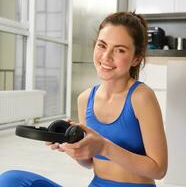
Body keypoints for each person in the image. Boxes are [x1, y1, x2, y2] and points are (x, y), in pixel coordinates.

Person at [0, 11, 168, 187]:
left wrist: (104, 147)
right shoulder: (85, 98)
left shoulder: (141, 97)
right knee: (10, 180)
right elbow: (89, 163)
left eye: (119, 50)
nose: (106, 57)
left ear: (136, 58)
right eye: (102, 46)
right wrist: (71, 147)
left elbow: (159, 168)